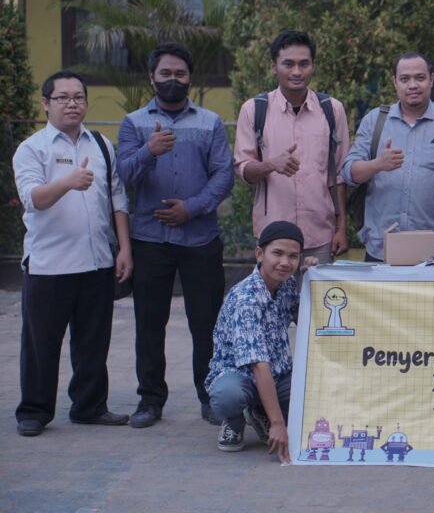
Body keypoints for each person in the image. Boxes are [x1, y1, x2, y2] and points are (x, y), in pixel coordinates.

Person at [116, 42, 234, 428]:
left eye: (179, 74)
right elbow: (123, 177)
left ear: (189, 78)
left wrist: (192, 208)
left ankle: (210, 396)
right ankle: (150, 400)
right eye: (165, 74)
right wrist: (149, 151)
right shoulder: (134, 123)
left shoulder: (210, 122)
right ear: (152, 77)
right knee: (150, 323)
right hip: (150, 240)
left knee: (207, 322)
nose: (172, 80)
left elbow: (223, 176)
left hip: (200, 238)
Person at [13, 70, 132, 436]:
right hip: (49, 265)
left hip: (97, 260)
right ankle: (34, 411)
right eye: (62, 97)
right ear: (45, 103)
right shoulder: (32, 148)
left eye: (78, 96)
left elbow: (117, 198)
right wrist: (68, 182)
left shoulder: (100, 144)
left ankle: (89, 406)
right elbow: (33, 199)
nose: (72, 103)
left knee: (93, 342)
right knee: (41, 345)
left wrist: (124, 247)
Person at [342, 52, 434, 262]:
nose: (412, 85)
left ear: (432, 79)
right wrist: (377, 165)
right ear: (395, 83)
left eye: (419, 78)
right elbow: (349, 172)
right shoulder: (375, 121)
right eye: (405, 79)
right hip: (381, 249)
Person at [234, 30, 350, 270]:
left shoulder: (332, 110)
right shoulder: (254, 110)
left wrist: (341, 228)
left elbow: (337, 175)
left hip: (320, 235)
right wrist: (271, 164)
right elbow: (243, 169)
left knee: (315, 305)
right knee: (274, 305)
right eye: (288, 64)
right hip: (272, 236)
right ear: (273, 66)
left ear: (313, 66)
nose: (297, 72)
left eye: (304, 64)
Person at [206, 221, 316, 463]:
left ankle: (259, 409)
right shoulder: (245, 298)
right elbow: (258, 366)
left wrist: (314, 281)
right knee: (229, 396)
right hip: (239, 375)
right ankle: (234, 420)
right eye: (277, 253)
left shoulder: (286, 285)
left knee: (313, 393)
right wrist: (277, 424)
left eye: (293, 256)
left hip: (277, 374)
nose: (285, 262)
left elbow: (311, 322)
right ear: (259, 254)